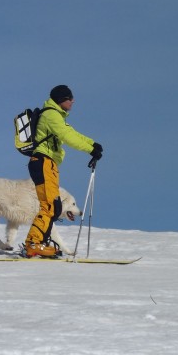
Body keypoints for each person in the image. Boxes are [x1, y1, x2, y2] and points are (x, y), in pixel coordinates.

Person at [24, 85, 103, 257]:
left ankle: (40, 243)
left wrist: (92, 143)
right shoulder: (51, 115)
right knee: (50, 206)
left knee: (54, 206)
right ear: (61, 99)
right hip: (43, 162)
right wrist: (90, 150)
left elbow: (70, 131)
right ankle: (33, 244)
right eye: (69, 98)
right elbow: (66, 136)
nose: (73, 101)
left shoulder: (56, 115)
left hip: (47, 164)